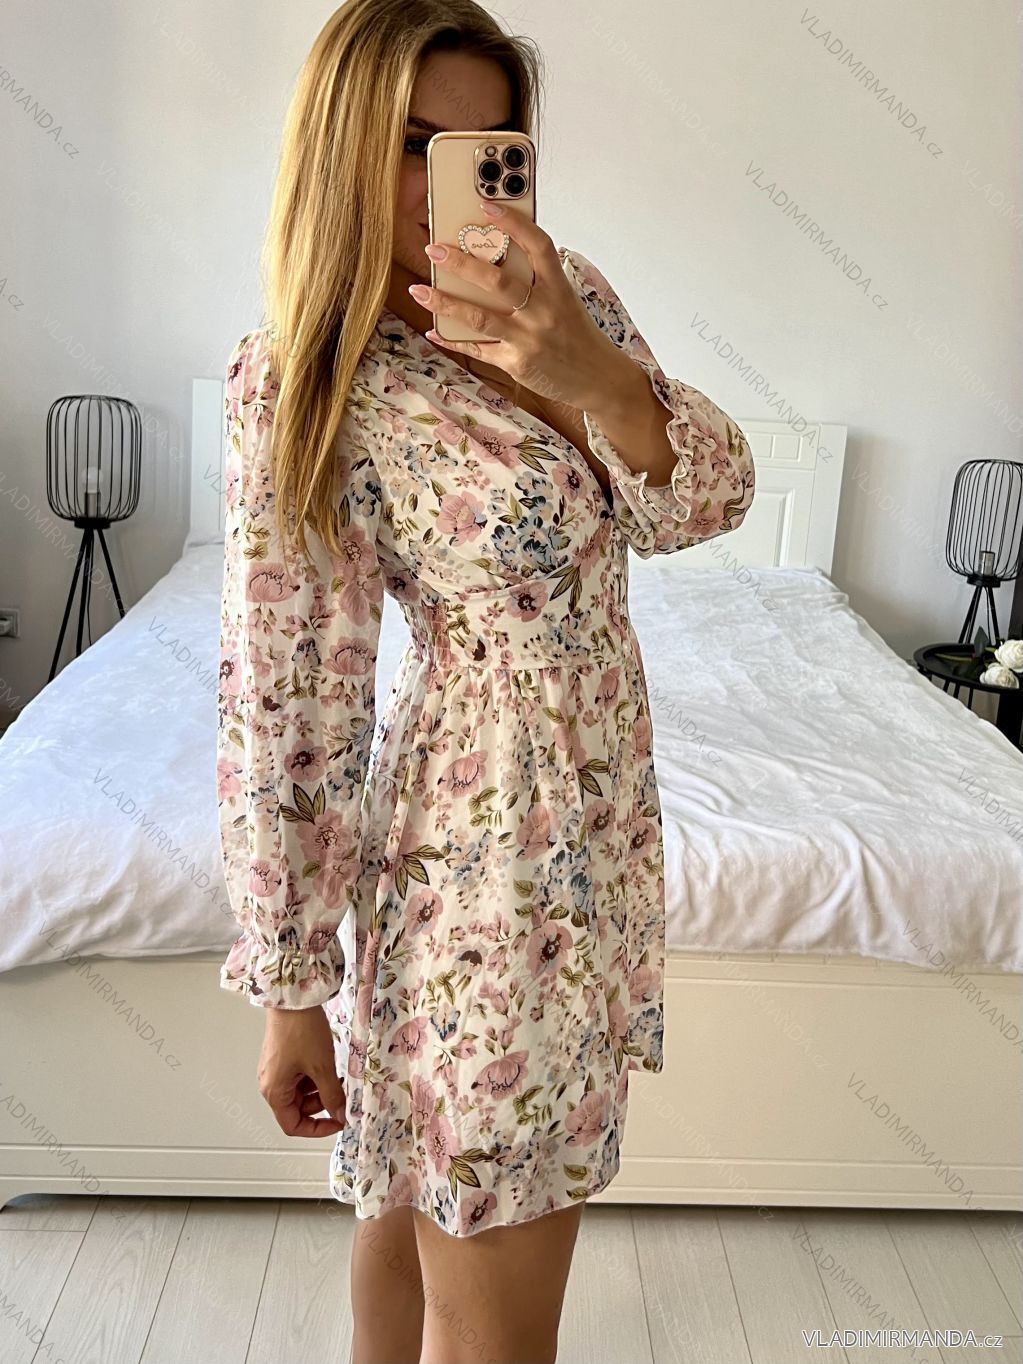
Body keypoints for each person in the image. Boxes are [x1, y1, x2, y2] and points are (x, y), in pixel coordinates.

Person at [215, 2, 756, 1360]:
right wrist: (291, 982)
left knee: (429, 1206)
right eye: (413, 142)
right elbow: (289, 700)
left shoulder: (568, 297)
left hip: (595, 827)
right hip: (482, 863)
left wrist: (582, 369)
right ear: (340, 146)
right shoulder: (309, 377)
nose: (451, 180)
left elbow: (706, 502)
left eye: (485, 144)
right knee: (483, 1283)